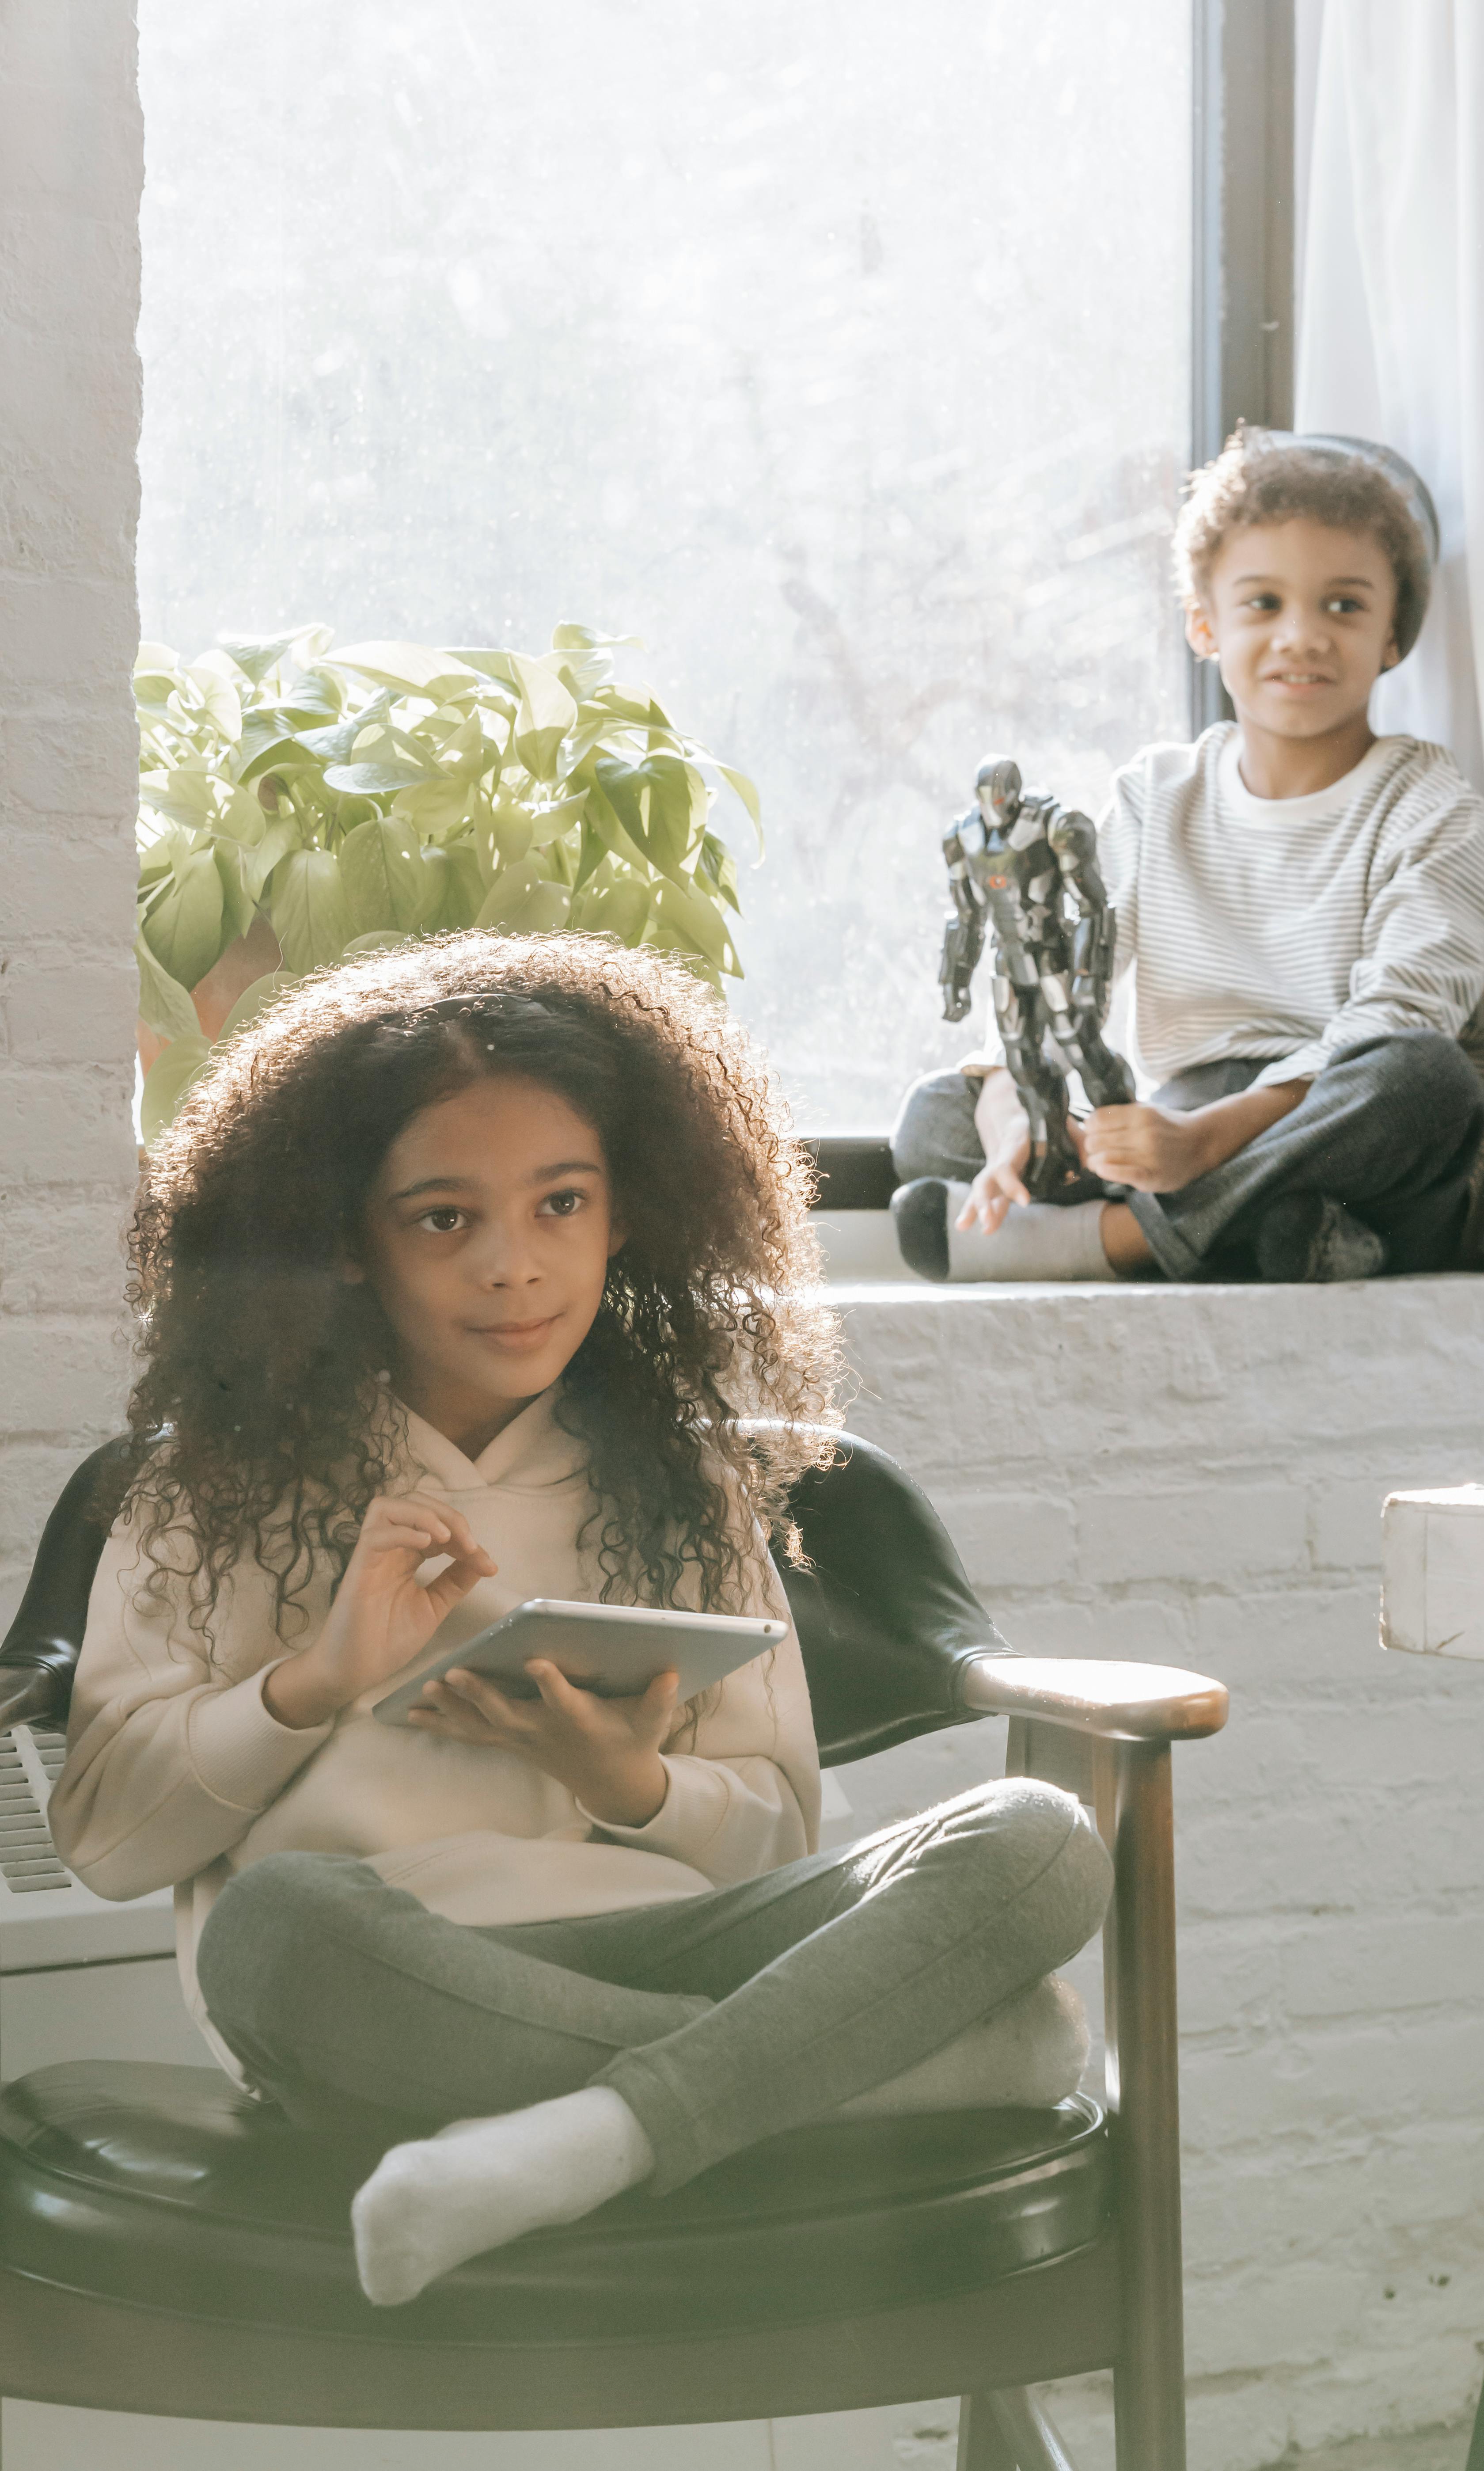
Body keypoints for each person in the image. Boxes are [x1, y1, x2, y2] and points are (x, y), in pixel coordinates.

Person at [49, 931, 1106, 2308]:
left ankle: (582, 2141)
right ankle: (850, 2072)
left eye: (561, 1205)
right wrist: (312, 1684)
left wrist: (636, 1785)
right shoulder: (215, 1491)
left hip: (671, 1946)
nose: (515, 1267)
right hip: (381, 1983)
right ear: (349, 1244)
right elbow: (109, 1844)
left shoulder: (688, 1488)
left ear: (624, 1214)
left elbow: (773, 1834)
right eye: (445, 1219)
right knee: (275, 1927)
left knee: (1038, 1844)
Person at [891, 429, 1484, 1284]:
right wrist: (1022, 1126)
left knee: (1429, 1086)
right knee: (938, 1115)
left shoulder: (1429, 803)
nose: (1302, 637)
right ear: (1205, 625)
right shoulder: (1157, 793)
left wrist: (1203, 1143)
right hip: (1185, 1117)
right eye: (1263, 604)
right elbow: (1053, 984)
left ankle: (1114, 1246)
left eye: (1344, 606)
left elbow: (1404, 1016)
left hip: (1318, 1118)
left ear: (1393, 632)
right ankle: (1281, 1239)